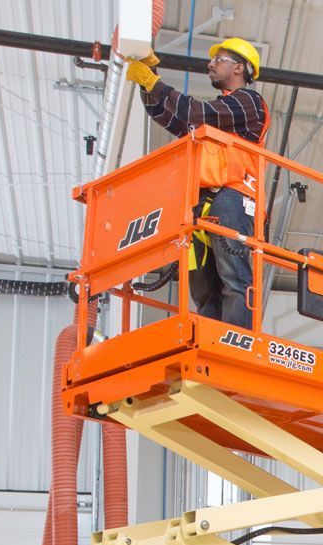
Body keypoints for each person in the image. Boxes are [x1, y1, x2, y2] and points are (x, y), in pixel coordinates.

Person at [125, 38, 271, 330]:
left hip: (235, 197)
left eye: (219, 60)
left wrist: (155, 83)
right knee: (205, 289)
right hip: (205, 203)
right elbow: (171, 117)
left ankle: (236, 346)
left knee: (234, 280)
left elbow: (195, 112)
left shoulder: (249, 102)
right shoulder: (221, 114)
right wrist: (147, 85)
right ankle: (211, 344)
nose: (211, 64)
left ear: (239, 67)